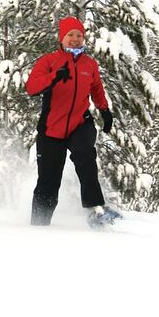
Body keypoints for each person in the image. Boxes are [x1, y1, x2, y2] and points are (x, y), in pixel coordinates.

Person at [25, 16, 121, 227]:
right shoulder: (49, 61)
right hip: (51, 129)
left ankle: (95, 209)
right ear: (62, 37)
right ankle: (39, 225)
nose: (75, 39)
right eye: (70, 35)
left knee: (85, 155)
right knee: (48, 182)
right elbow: (31, 87)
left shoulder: (89, 64)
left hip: (80, 123)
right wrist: (53, 78)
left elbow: (96, 88)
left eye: (79, 35)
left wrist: (104, 110)